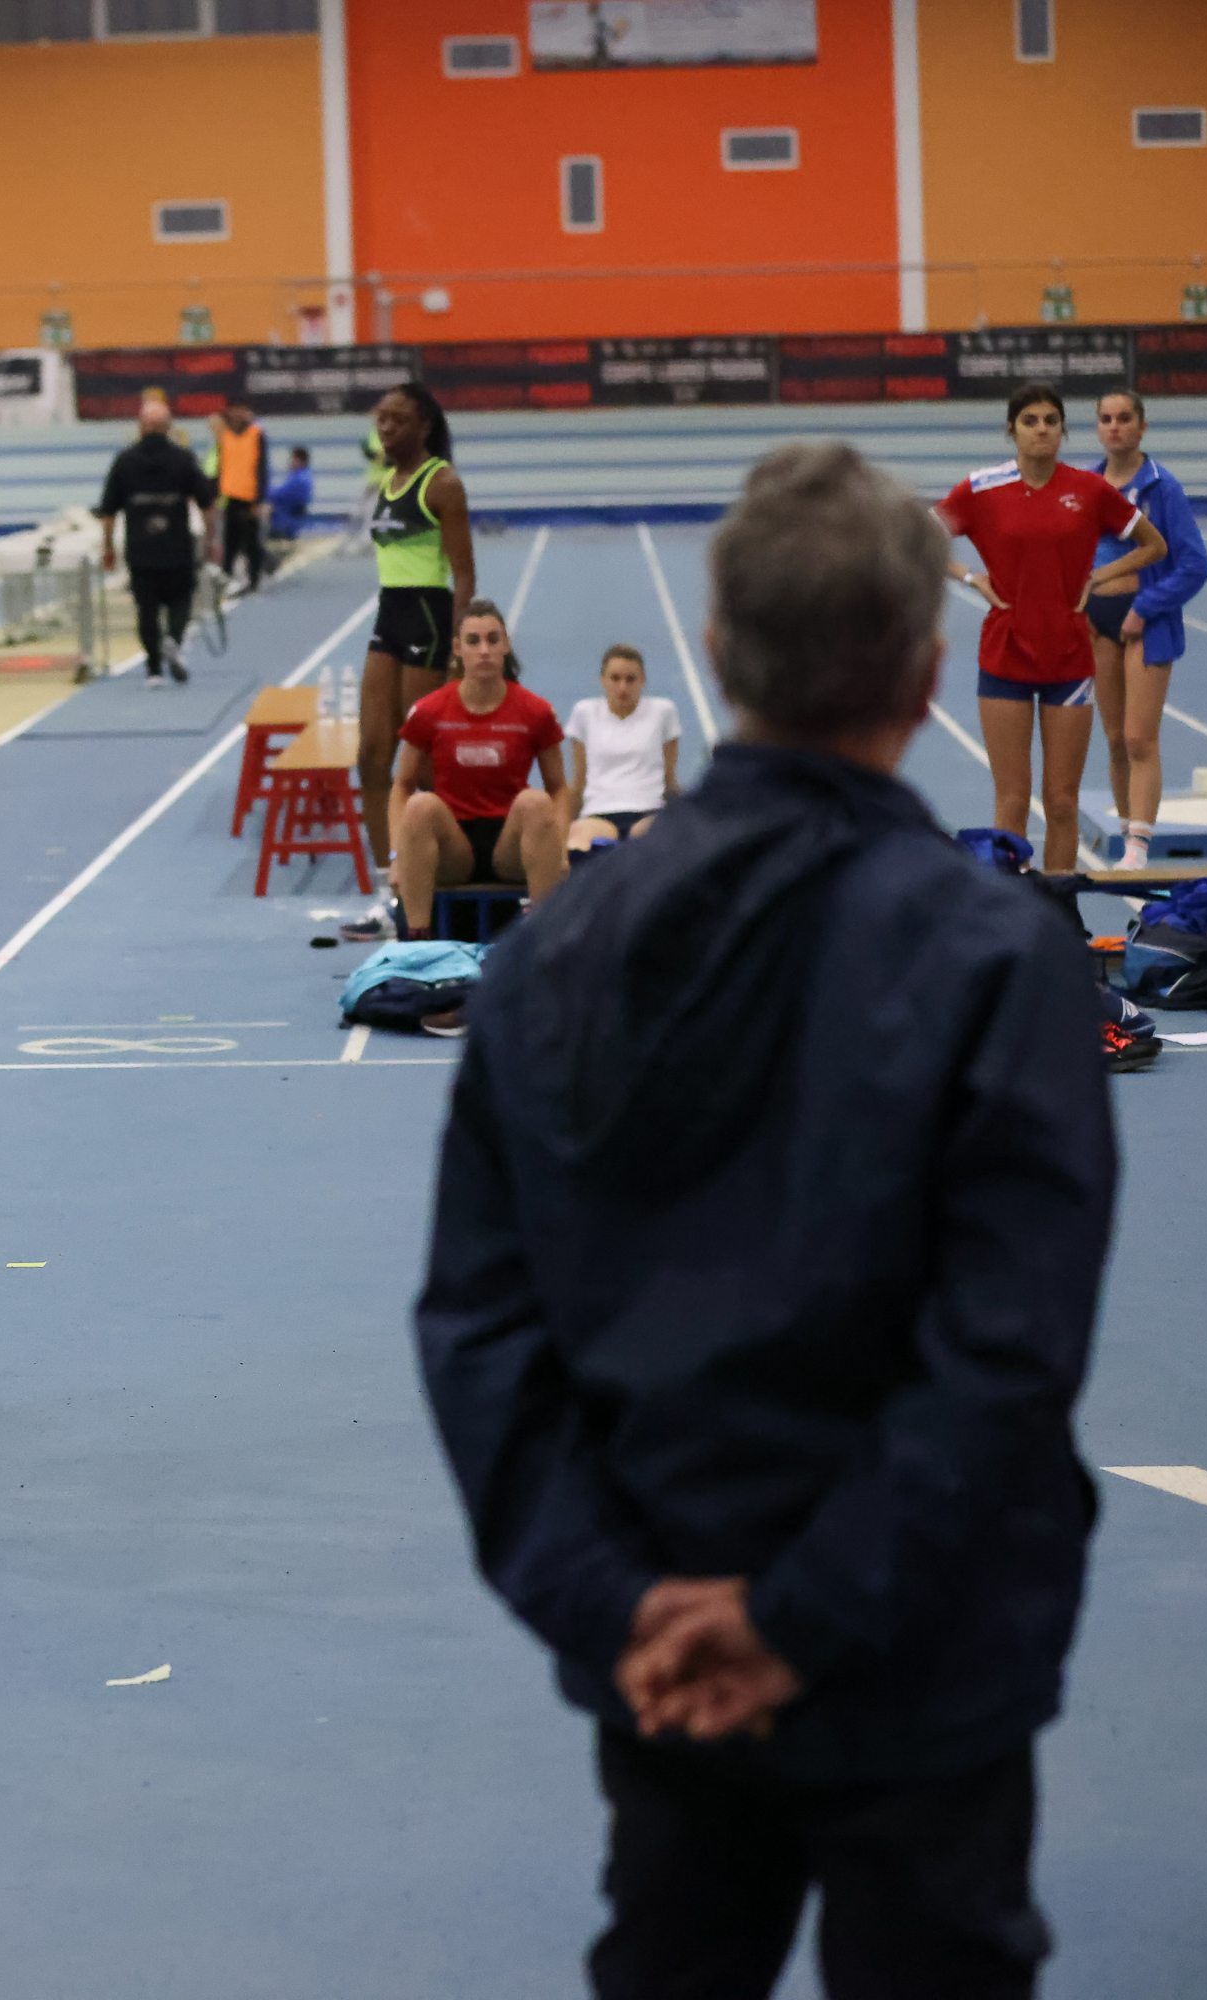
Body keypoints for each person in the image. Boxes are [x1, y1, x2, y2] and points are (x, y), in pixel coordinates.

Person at [416, 439, 1115, 2000]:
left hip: (662, 1655)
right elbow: (1008, 1355)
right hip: (930, 1653)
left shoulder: (553, 956)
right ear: (930, 671)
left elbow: (479, 1333)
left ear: (718, 657)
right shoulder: (1004, 961)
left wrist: (620, 1608)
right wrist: (800, 1621)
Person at [935, 383, 1164, 875]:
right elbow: (919, 537)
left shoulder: (1090, 490)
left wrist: (1098, 577)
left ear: (1062, 429)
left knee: (1062, 802)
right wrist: (971, 577)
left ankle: (1060, 909)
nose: (1041, 429)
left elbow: (1154, 545)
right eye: (1030, 421)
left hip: (1070, 659)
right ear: (1012, 430)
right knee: (1012, 800)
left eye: (1051, 420)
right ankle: (1011, 909)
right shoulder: (982, 488)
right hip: (1005, 656)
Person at [340, 381, 476, 937]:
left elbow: (463, 573)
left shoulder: (441, 483)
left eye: (398, 419)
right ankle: (385, 887)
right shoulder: (387, 481)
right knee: (372, 756)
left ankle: (439, 884)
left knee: (421, 765)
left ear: (424, 426)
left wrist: (460, 648)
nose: (386, 427)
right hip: (389, 615)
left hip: (428, 616)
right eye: (381, 418)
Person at [388, 599, 566, 937]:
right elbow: (402, 786)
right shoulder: (429, 711)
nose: (484, 650)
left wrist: (560, 848)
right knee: (420, 805)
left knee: (536, 802)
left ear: (506, 644)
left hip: (509, 844)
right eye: (474, 641)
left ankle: (546, 941)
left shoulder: (536, 712)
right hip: (453, 845)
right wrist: (398, 855)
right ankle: (416, 940)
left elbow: (558, 788)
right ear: (458, 648)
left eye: (492, 639)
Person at [1086, 389, 1207, 867]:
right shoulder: (1086, 485)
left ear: (1142, 426)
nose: (1114, 426)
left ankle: (1139, 846)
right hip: (1097, 622)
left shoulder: (1163, 488)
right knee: (1115, 739)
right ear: (1098, 427)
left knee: (1139, 737)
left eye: (1124, 418)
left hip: (1145, 622)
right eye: (1106, 418)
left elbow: (1194, 565)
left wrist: (1146, 606)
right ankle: (1125, 834)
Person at [95, 397, 218, 686]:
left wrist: (108, 546)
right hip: (176, 547)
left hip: (141, 549)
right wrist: (210, 540)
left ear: (140, 427)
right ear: (169, 427)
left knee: (146, 609)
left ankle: (153, 671)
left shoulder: (124, 461)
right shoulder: (183, 459)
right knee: (181, 601)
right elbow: (207, 504)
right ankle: (173, 639)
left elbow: (108, 511)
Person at [562, 644, 681, 848]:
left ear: (642, 680)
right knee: (578, 842)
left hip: (648, 811)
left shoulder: (663, 712)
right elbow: (579, 781)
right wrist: (564, 828)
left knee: (652, 838)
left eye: (630, 679)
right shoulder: (584, 713)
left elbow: (669, 780)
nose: (623, 687)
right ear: (603, 680)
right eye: (615, 678)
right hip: (599, 813)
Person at [205, 402, 271, 594]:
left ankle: (254, 579)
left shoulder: (256, 434)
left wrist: (259, 499)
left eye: (240, 411)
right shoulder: (225, 436)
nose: (236, 415)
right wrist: (214, 494)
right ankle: (226, 578)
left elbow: (262, 468)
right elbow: (221, 467)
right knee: (230, 542)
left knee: (251, 542)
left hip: (249, 497)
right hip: (230, 496)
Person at [268, 445, 314, 545]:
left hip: (286, 523)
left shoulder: (299, 479)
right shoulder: (301, 476)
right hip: (288, 521)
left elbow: (278, 495)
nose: (290, 463)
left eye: (292, 459)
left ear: (298, 460)